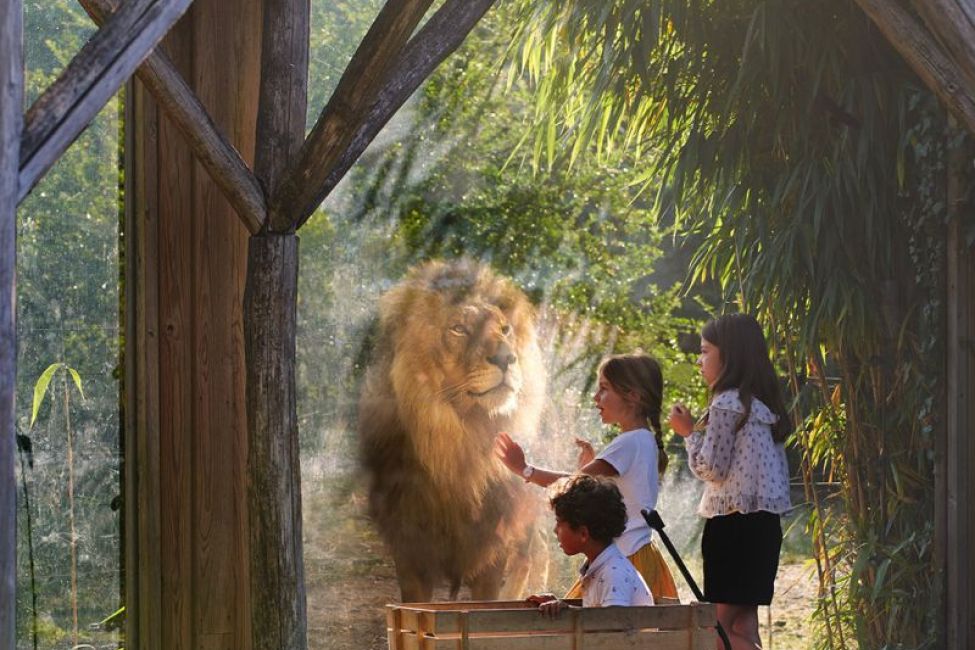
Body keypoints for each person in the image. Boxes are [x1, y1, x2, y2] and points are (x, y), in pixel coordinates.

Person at [495, 353, 678, 601]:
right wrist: (591, 473)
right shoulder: (643, 439)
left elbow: (572, 485)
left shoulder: (630, 442)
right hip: (641, 553)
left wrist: (524, 469)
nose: (595, 397)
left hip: (625, 557)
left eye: (604, 389)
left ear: (633, 396)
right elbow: (611, 490)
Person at [669, 313, 792, 650]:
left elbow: (712, 468)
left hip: (733, 528)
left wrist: (688, 434)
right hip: (763, 528)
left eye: (705, 351)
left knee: (716, 632)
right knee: (743, 628)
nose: (699, 360)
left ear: (730, 356)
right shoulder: (763, 407)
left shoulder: (726, 403)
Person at [527, 475, 653, 616]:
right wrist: (560, 605)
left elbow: (614, 622)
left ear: (583, 534)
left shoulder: (613, 573)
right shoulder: (599, 567)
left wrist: (568, 612)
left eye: (559, 523)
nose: (555, 530)